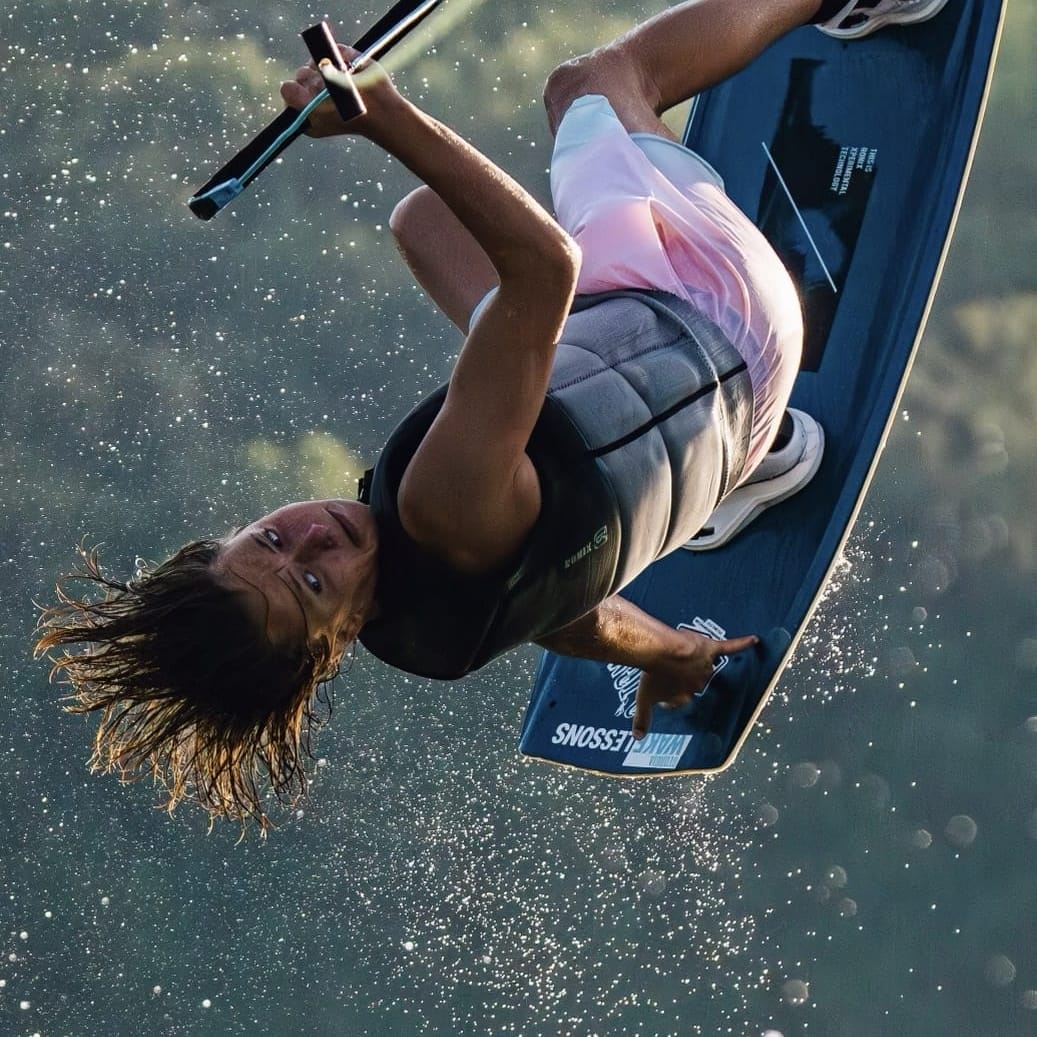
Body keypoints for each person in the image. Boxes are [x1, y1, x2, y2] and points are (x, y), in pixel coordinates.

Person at [35, 0, 952, 829]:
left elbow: (569, 615)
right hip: (717, 312)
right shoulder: (439, 504)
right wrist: (384, 115)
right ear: (332, 645)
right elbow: (544, 268)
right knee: (590, 83)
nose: (312, 538)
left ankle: (762, 461)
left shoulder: (429, 635)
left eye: (269, 541)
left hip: (704, 404)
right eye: (312, 582)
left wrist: (671, 655)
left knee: (420, 224)